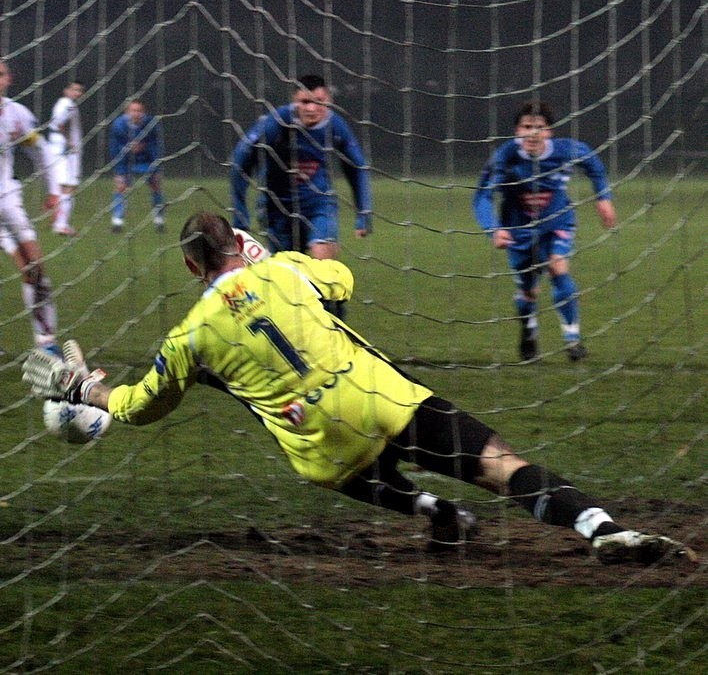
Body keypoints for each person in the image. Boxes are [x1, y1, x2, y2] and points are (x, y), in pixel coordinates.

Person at [22, 211, 696, 566]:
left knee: (348, 469)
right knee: (499, 466)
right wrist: (276, 261)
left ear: (190, 264)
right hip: (380, 395)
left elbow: (138, 406)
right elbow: (340, 279)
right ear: (240, 243)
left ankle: (438, 516)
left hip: (319, 442)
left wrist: (85, 391)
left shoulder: (188, 338)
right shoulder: (288, 271)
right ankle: (600, 528)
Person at [473, 100, 616, 362]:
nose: (532, 133)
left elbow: (594, 166)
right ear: (517, 131)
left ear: (549, 131)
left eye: (539, 127)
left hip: (557, 223)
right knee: (529, 291)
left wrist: (603, 198)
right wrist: (493, 230)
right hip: (518, 231)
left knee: (558, 266)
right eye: (527, 127)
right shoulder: (505, 158)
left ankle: (573, 340)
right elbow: (482, 197)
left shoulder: (566, 151)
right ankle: (528, 331)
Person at [231, 74, 373, 264]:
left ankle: (325, 292)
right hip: (278, 208)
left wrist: (363, 213)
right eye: (305, 102)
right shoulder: (276, 123)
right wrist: (240, 215)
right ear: (295, 101)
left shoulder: (335, 125)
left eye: (319, 102)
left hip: (318, 204)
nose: (311, 108)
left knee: (324, 262)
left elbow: (357, 167)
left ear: (328, 101)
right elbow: (241, 159)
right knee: (287, 275)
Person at [0, 59, 61, 351]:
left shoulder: (16, 115)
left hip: (7, 201)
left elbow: (40, 151)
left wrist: (52, 191)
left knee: (35, 268)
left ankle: (46, 340)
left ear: (8, 78)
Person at [108, 98, 165, 233]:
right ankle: (117, 222)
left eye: (139, 111)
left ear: (143, 112)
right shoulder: (118, 125)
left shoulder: (151, 124)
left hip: (146, 161)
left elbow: (156, 145)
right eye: (133, 110)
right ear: (127, 112)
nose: (136, 113)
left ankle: (159, 221)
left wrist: (156, 167)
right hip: (126, 161)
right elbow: (114, 148)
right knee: (120, 187)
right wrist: (120, 169)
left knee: (156, 186)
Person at [47, 79, 85, 236]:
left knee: (66, 187)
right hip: (63, 151)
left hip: (62, 150)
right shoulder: (67, 104)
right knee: (67, 187)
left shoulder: (66, 104)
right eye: (74, 89)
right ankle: (61, 225)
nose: (77, 93)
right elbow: (59, 124)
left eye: (80, 90)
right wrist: (68, 141)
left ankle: (59, 221)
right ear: (66, 90)